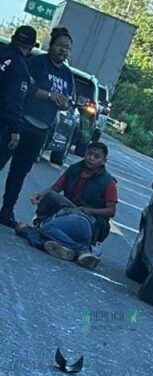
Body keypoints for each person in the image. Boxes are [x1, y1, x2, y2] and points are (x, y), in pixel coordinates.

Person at [0, 26, 76, 228]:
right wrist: (49, 95)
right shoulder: (37, 62)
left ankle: (7, 210)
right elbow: (24, 87)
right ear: (51, 45)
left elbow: (69, 100)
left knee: (20, 172)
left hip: (41, 128)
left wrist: (63, 103)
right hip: (21, 121)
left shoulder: (67, 75)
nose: (63, 51)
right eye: (60, 46)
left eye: (67, 48)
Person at [16, 142, 117, 269]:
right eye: (89, 154)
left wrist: (89, 210)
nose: (91, 158)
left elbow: (111, 211)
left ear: (103, 161)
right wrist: (39, 195)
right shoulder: (74, 169)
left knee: (44, 228)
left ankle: (81, 250)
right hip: (66, 214)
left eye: (96, 156)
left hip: (87, 221)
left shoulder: (108, 182)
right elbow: (56, 188)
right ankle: (73, 251)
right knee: (51, 198)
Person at [0, 25, 38, 159]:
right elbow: (14, 100)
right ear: (32, 46)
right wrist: (16, 129)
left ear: (12, 38)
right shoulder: (20, 67)